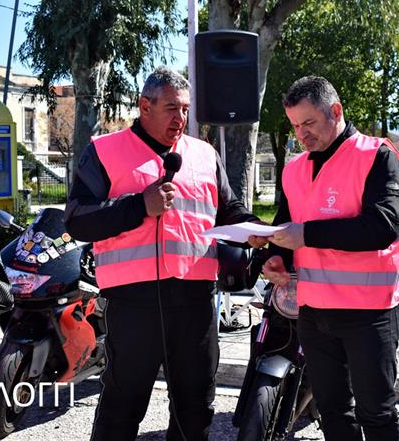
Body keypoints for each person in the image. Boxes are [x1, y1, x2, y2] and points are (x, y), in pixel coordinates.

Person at [64, 66, 258, 440]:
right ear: (144, 106)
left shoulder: (203, 154)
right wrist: (139, 205)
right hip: (134, 303)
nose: (180, 118)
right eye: (171, 108)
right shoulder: (104, 151)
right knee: (123, 406)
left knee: (195, 407)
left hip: (196, 300)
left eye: (185, 109)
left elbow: (228, 209)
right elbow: (77, 221)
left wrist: (252, 230)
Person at [249, 76, 399, 441]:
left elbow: (383, 226)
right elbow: (286, 226)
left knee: (377, 413)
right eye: (294, 126)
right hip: (313, 313)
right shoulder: (294, 169)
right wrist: (276, 258)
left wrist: (307, 235)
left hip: (369, 313)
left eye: (309, 123)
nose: (301, 135)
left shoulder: (378, 156)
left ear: (335, 112)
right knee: (333, 411)